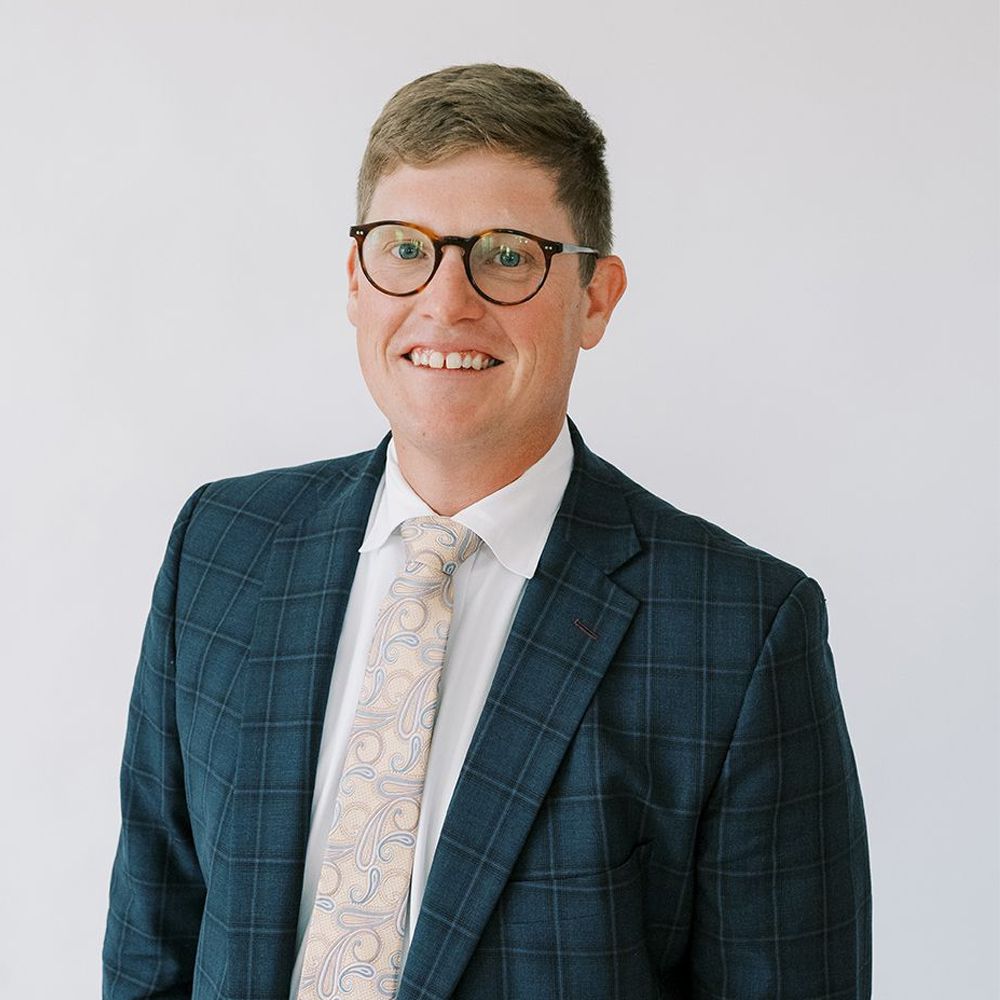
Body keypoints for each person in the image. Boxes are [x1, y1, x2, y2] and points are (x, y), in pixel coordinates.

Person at [103, 63, 872, 1000]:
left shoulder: (741, 633)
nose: (447, 300)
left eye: (507, 254)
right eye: (404, 248)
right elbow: (152, 949)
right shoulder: (220, 549)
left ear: (595, 297)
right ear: (355, 279)